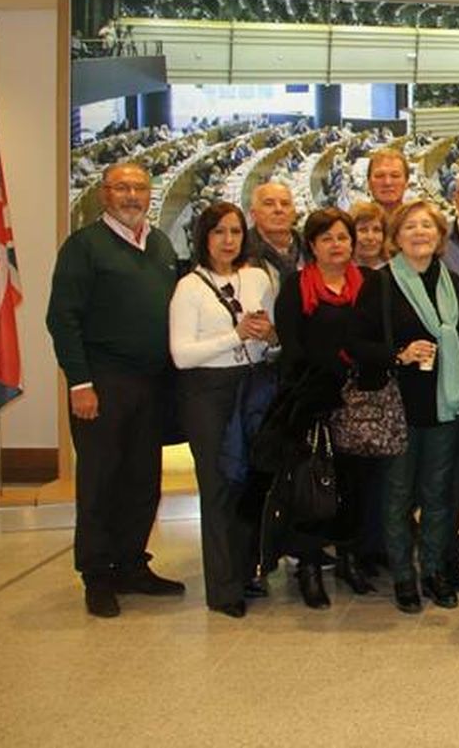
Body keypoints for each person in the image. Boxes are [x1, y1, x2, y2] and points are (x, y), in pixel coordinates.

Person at [47, 162, 186, 618]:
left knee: (144, 480)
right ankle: (97, 574)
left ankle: (131, 563)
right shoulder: (84, 247)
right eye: (122, 187)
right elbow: (62, 318)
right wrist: (79, 382)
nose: (132, 195)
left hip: (152, 384)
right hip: (103, 383)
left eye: (139, 188)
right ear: (104, 195)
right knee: (101, 480)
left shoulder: (160, 243)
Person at [349, 199, 459, 612]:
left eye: (427, 226)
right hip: (400, 407)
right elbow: (357, 344)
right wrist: (399, 354)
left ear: (439, 236)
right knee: (397, 496)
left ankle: (432, 570)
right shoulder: (380, 283)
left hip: (444, 407)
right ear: (396, 237)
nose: (419, 233)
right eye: (410, 226)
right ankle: (403, 577)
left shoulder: (452, 282)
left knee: (438, 495)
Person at [168, 201, 276, 617]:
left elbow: (271, 341)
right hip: (208, 393)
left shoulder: (257, 277)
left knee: (251, 484)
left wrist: (268, 335)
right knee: (218, 488)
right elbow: (181, 355)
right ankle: (222, 587)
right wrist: (235, 335)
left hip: (252, 387)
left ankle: (247, 571)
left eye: (234, 232)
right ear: (204, 238)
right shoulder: (189, 287)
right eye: (218, 233)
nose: (228, 240)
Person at [268, 207, 377, 608]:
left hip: (358, 403)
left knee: (353, 487)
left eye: (343, 237)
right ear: (312, 245)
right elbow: (292, 347)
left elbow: (374, 338)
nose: (337, 245)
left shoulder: (367, 283)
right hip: (311, 402)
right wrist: (316, 391)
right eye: (327, 238)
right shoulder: (297, 285)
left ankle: (350, 559)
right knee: (311, 490)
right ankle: (309, 567)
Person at [248, 180, 305, 284]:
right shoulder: (240, 252)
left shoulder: (312, 249)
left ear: (294, 213)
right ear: (253, 214)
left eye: (285, 204)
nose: (279, 209)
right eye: (269, 204)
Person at [366, 148, 411, 215]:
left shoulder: (419, 223)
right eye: (380, 176)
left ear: (406, 182)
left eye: (395, 176)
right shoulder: (353, 224)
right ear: (369, 182)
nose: (387, 182)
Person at [350, 200, 389, 270]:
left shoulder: (396, 272)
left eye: (376, 230)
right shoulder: (338, 272)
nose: (370, 237)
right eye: (363, 230)